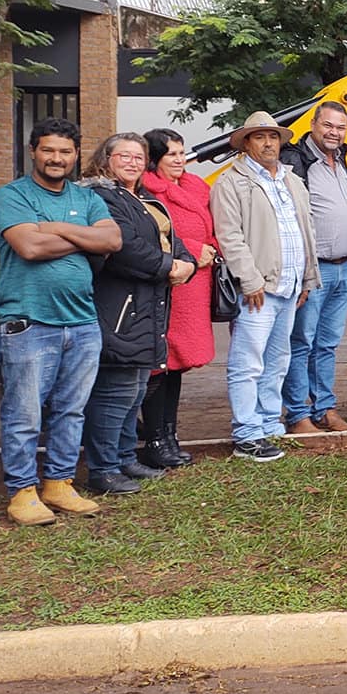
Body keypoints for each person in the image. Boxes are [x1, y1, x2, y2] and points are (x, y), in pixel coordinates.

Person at [0, 117, 122, 525]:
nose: (56, 158)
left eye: (65, 151)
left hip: (82, 322)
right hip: (29, 321)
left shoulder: (87, 199)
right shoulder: (11, 196)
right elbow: (28, 246)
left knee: (71, 409)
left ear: (76, 155)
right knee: (24, 413)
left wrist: (58, 229)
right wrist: (84, 237)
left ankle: (59, 484)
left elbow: (113, 240)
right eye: (48, 150)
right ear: (33, 151)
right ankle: (22, 491)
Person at [79, 134, 195, 494]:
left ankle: (126, 457)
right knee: (114, 391)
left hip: (150, 304)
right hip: (119, 304)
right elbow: (126, 248)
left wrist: (186, 263)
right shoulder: (101, 197)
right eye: (123, 156)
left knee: (136, 389)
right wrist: (168, 267)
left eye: (137, 156)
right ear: (106, 158)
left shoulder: (144, 198)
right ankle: (103, 468)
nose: (131, 162)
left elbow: (177, 245)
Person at [212, 111, 319, 463]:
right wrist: (249, 278)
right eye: (260, 137)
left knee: (277, 360)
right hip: (258, 289)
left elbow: (306, 231)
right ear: (246, 143)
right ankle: (246, 433)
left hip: (289, 287)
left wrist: (306, 277)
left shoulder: (291, 180)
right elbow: (229, 237)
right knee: (247, 363)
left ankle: (269, 424)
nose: (268, 143)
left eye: (273, 136)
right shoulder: (232, 183)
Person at [280, 101, 347, 434]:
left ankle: (325, 409)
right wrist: (302, 270)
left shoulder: (340, 162)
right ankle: (299, 414)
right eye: (328, 126)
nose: (334, 133)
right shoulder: (297, 161)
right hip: (315, 270)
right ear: (313, 125)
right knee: (302, 342)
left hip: (343, 269)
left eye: (341, 127)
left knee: (327, 344)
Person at [137, 128, 218, 468]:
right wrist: (187, 254)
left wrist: (209, 249)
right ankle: (153, 438)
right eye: (171, 154)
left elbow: (207, 225)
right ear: (155, 159)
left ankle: (170, 434)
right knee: (160, 363)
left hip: (194, 286)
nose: (180, 159)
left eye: (182, 152)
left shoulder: (195, 187)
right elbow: (151, 234)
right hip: (167, 286)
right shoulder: (146, 190)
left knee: (177, 365)